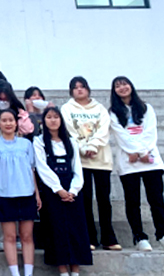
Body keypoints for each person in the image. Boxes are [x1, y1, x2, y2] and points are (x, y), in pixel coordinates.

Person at [61, 76, 120, 251]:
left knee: (104, 200)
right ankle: (89, 237)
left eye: (82, 86)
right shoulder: (66, 108)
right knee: (85, 200)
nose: (79, 90)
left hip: (101, 160)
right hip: (81, 161)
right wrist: (82, 147)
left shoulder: (100, 108)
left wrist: (93, 146)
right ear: (71, 91)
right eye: (75, 87)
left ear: (88, 89)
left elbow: (103, 129)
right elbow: (69, 130)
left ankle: (108, 238)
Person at [34, 107, 92, 275]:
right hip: (52, 190)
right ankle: (62, 270)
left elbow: (77, 167)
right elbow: (42, 167)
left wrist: (73, 190)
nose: (53, 120)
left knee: (76, 228)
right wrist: (58, 189)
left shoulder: (71, 141)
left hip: (72, 189)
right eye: (49, 117)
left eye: (56, 117)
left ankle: (75, 270)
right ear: (43, 121)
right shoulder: (39, 141)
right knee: (56, 228)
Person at [109, 76, 164, 251]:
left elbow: (150, 132)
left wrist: (141, 153)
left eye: (124, 84)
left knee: (156, 200)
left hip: (150, 160)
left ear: (131, 86)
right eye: (117, 86)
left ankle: (162, 234)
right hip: (128, 162)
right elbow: (121, 135)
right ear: (114, 91)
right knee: (132, 202)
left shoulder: (146, 108)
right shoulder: (113, 113)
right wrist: (137, 152)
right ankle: (139, 237)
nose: (122, 88)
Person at [0, 110, 40, 276]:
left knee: (27, 236)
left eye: (11, 120)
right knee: (9, 237)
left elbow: (32, 169)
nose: (8, 123)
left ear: (16, 123)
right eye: (4, 120)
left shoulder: (26, 144)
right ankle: (15, 273)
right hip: (5, 195)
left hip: (26, 193)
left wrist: (37, 193)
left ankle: (28, 273)